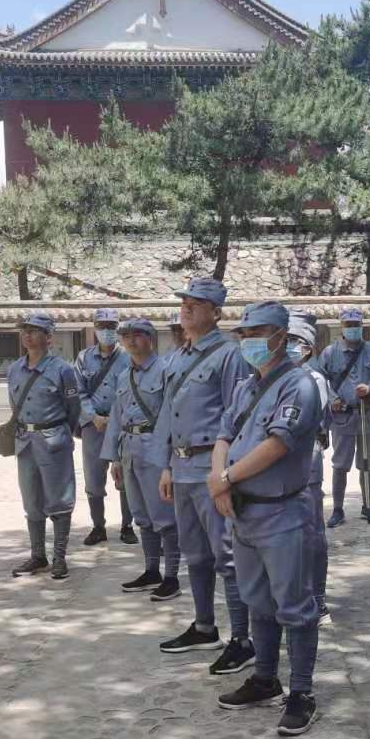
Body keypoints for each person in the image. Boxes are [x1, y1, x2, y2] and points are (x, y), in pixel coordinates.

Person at [209, 301, 326, 735]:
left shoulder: (300, 385)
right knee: (257, 600)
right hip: (244, 511)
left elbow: (278, 445)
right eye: (243, 334)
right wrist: (220, 480)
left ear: (280, 336)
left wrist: (225, 478)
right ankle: (265, 678)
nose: (249, 341)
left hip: (283, 512)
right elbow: (224, 435)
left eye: (257, 333)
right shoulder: (246, 387)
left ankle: (302, 692)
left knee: (295, 607)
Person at [157, 277, 254, 674]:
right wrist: (167, 465)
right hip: (181, 469)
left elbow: (237, 419)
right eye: (184, 301)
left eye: (196, 304)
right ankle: (204, 626)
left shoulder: (230, 355)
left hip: (210, 470)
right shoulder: (178, 356)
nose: (187, 308)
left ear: (216, 313)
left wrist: (226, 476)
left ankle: (242, 639)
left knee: (227, 558)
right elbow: (169, 414)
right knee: (194, 554)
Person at [102, 319, 181, 602]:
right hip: (129, 449)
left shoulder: (166, 371)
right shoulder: (125, 375)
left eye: (137, 335)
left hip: (155, 448)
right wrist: (114, 457)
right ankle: (151, 570)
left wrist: (169, 461)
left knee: (165, 518)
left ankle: (172, 576)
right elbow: (117, 416)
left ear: (150, 338)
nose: (131, 341)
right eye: (125, 336)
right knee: (142, 517)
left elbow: (172, 416)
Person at [8, 313, 83, 581]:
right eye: (24, 330)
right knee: (31, 500)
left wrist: (60, 431)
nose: (27, 335)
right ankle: (38, 556)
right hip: (25, 442)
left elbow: (73, 409)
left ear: (48, 337)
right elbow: (14, 405)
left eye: (34, 331)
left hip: (53, 441)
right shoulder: (14, 369)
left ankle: (59, 558)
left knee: (59, 500)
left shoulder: (63, 370)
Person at [319, 308, 370, 526]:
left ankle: (368, 506)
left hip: (366, 415)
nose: (353, 328)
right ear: (341, 327)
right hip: (342, 417)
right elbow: (320, 380)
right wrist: (332, 398)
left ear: (362, 326)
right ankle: (338, 510)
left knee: (367, 464)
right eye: (348, 325)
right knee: (340, 465)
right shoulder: (329, 353)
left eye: (356, 325)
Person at [75, 308, 136, 546]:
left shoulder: (129, 357)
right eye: (102, 326)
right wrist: (93, 417)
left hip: (121, 426)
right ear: (95, 328)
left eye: (111, 326)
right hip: (94, 426)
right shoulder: (84, 358)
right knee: (93, 478)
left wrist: (117, 419)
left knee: (125, 476)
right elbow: (78, 391)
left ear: (118, 328)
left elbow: (134, 390)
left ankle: (127, 526)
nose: (107, 331)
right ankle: (98, 526)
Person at [287, 315, 333, 624]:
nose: (288, 346)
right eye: (285, 340)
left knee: (312, 532)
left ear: (307, 349)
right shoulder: (273, 377)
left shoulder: (314, 379)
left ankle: (318, 598)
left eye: (295, 341)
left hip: (307, 462)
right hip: (278, 465)